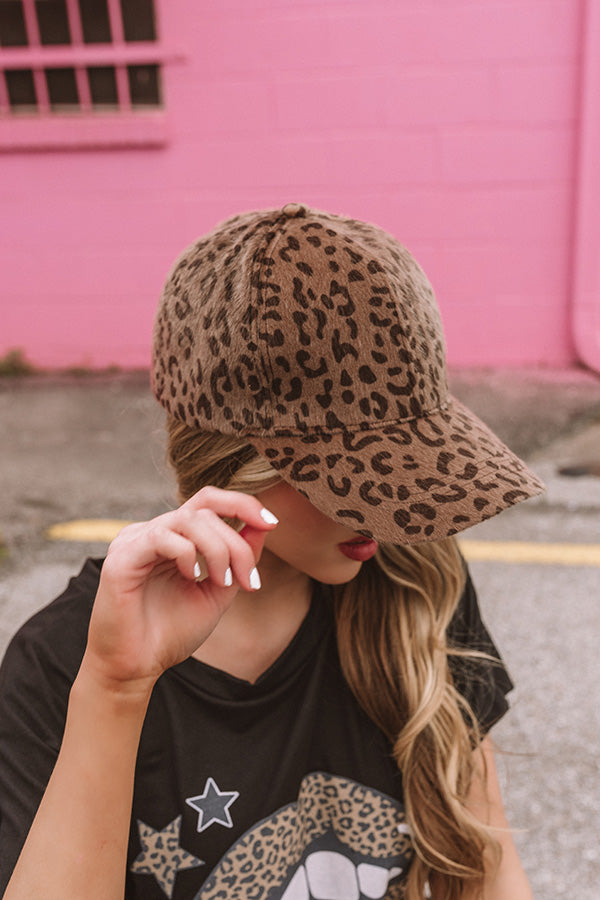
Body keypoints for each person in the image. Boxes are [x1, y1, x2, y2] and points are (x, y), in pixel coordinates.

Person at [0, 203, 544, 900]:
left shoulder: (416, 581)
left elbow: (488, 874)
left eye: (413, 463)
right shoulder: (65, 662)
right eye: (357, 474)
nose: (394, 505)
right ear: (231, 456)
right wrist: (115, 689)